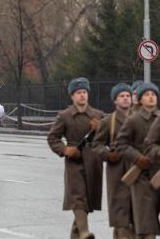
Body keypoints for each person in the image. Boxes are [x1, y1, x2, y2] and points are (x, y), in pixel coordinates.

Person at [47, 77, 104, 239]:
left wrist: (100, 129)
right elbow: (52, 138)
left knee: (87, 201)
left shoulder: (98, 115)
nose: (82, 95)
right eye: (78, 93)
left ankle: (77, 235)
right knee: (78, 197)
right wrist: (65, 149)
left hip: (94, 161)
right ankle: (85, 232)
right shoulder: (64, 116)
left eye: (84, 92)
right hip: (74, 161)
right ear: (72, 96)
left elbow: (110, 139)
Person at [115, 82, 160, 238]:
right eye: (147, 95)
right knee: (146, 223)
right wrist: (137, 158)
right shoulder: (133, 120)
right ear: (140, 99)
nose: (151, 97)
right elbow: (120, 144)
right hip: (141, 175)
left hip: (158, 173)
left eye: (154, 94)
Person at [92, 83, 134, 238]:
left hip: (137, 170)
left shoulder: (138, 119)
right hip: (117, 172)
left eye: (128, 96)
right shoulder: (108, 121)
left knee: (135, 213)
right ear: (115, 100)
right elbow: (96, 145)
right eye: (121, 96)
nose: (125, 99)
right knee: (121, 211)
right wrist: (108, 155)